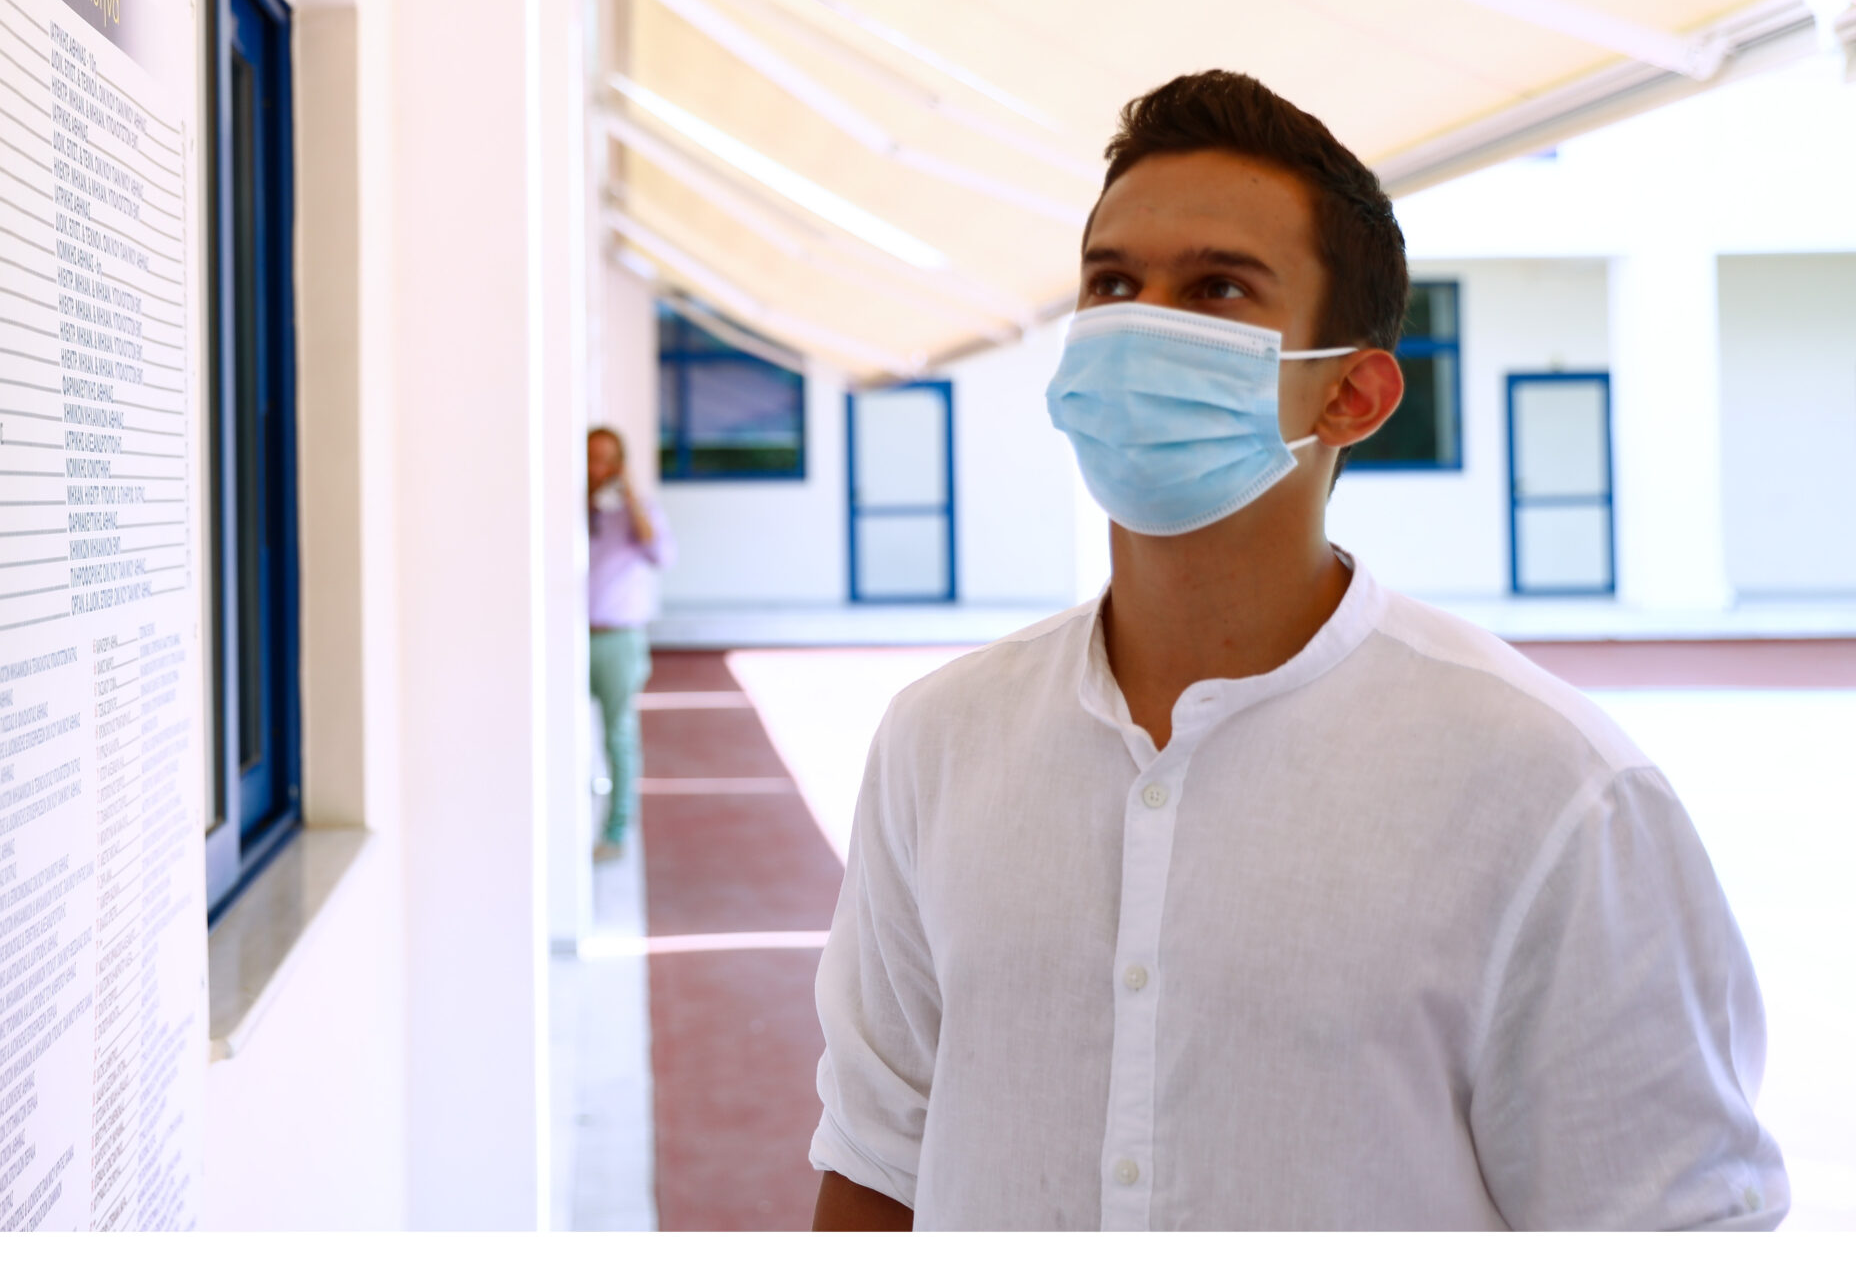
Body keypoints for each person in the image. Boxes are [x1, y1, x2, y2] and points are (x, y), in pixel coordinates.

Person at [810, 72, 1785, 1231]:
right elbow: (876, 1155)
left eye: (1215, 288)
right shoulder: (938, 740)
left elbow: (1666, 1221)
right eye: (1110, 282)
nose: (1140, 323)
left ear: (1352, 395)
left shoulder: (1551, 787)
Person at [588, 424, 674, 862]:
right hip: (572, 639)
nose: (597, 468)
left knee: (618, 736)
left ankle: (615, 832)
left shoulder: (634, 512)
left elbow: (661, 554)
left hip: (617, 640)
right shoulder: (571, 509)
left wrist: (631, 494)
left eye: (607, 460)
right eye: (590, 458)